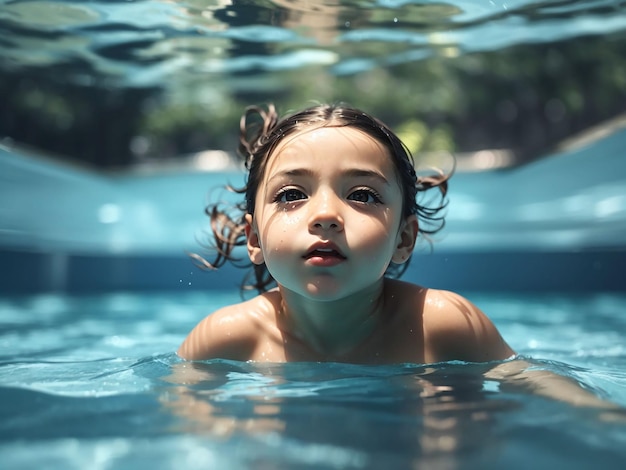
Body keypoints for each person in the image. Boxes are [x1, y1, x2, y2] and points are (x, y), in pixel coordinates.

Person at [178, 103, 515, 364]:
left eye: (362, 195)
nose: (326, 215)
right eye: (292, 194)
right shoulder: (224, 340)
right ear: (254, 239)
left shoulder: (442, 326)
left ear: (404, 239)